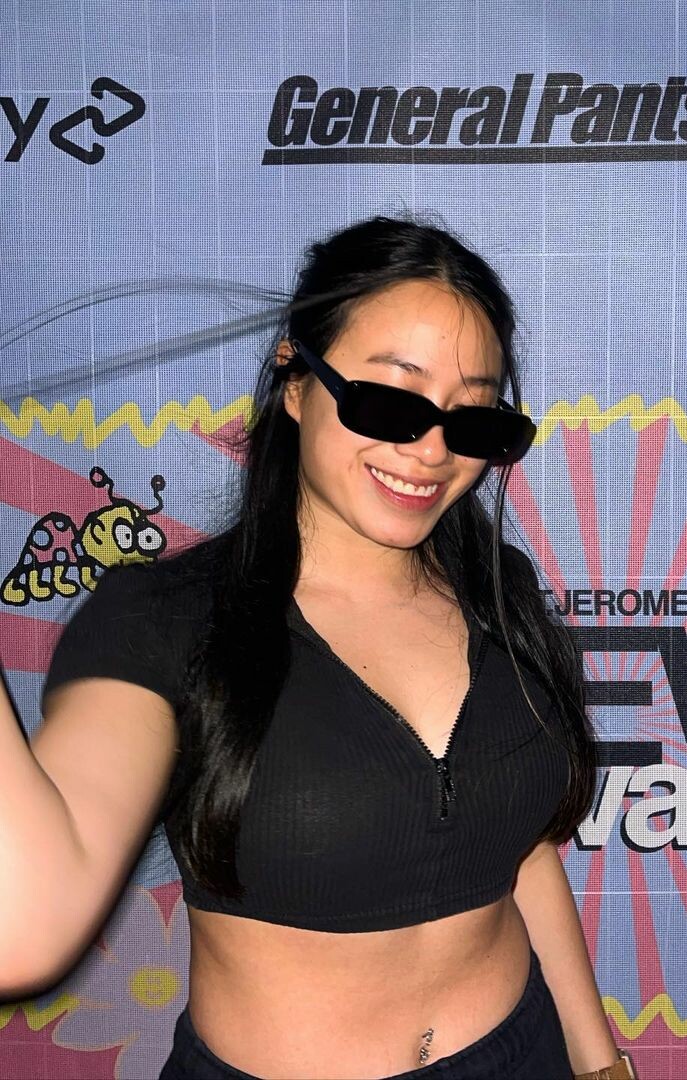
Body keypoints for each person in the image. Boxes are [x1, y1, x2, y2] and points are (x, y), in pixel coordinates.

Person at [0, 215, 639, 1079]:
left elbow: (517, 852)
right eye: (390, 402)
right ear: (295, 379)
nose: (431, 450)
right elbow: (21, 934)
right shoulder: (161, 622)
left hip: (521, 1052)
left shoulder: (498, 591)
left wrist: (598, 1064)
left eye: (474, 421)